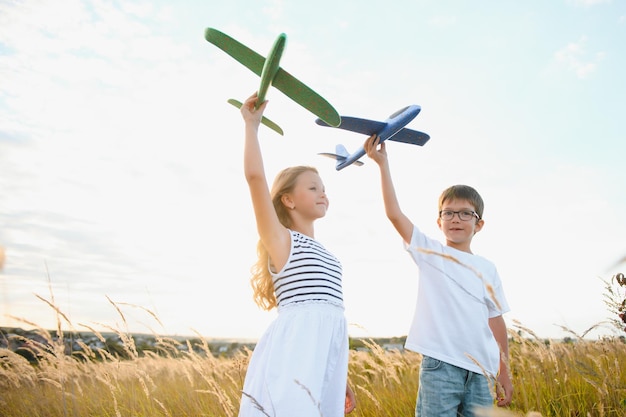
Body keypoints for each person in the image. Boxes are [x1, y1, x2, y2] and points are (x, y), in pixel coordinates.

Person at [364, 135, 513, 416]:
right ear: (439, 221)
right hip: (441, 366)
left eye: (465, 213)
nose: (456, 218)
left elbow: (496, 320)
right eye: (449, 213)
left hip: (481, 372)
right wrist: (382, 165)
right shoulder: (430, 253)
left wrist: (504, 370)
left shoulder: (488, 267)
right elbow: (394, 214)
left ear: (479, 224)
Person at [237, 92, 356, 417]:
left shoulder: (328, 254)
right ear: (288, 200)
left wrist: (338, 375)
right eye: (313, 187)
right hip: (294, 351)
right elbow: (255, 179)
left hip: (324, 356)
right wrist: (252, 126)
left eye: (324, 188)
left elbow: (330, 315)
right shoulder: (281, 240)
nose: (323, 193)